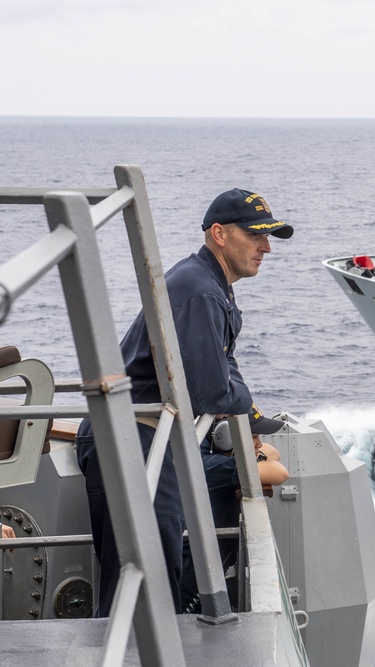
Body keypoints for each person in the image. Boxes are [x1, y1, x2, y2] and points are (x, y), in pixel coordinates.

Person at [75, 188, 294, 616]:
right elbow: (211, 389)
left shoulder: (209, 284)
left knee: (146, 576)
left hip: (142, 439)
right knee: (143, 583)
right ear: (220, 234)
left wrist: (248, 416)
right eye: (256, 236)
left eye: (268, 238)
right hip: (134, 442)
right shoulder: (201, 292)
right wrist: (242, 403)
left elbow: (221, 366)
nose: (266, 247)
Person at [179, 404, 289, 613]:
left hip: (200, 562)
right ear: (226, 437)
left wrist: (252, 453)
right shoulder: (215, 465)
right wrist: (255, 458)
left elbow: (273, 453)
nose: (259, 444)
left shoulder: (212, 451)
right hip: (191, 571)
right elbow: (279, 472)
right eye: (254, 437)